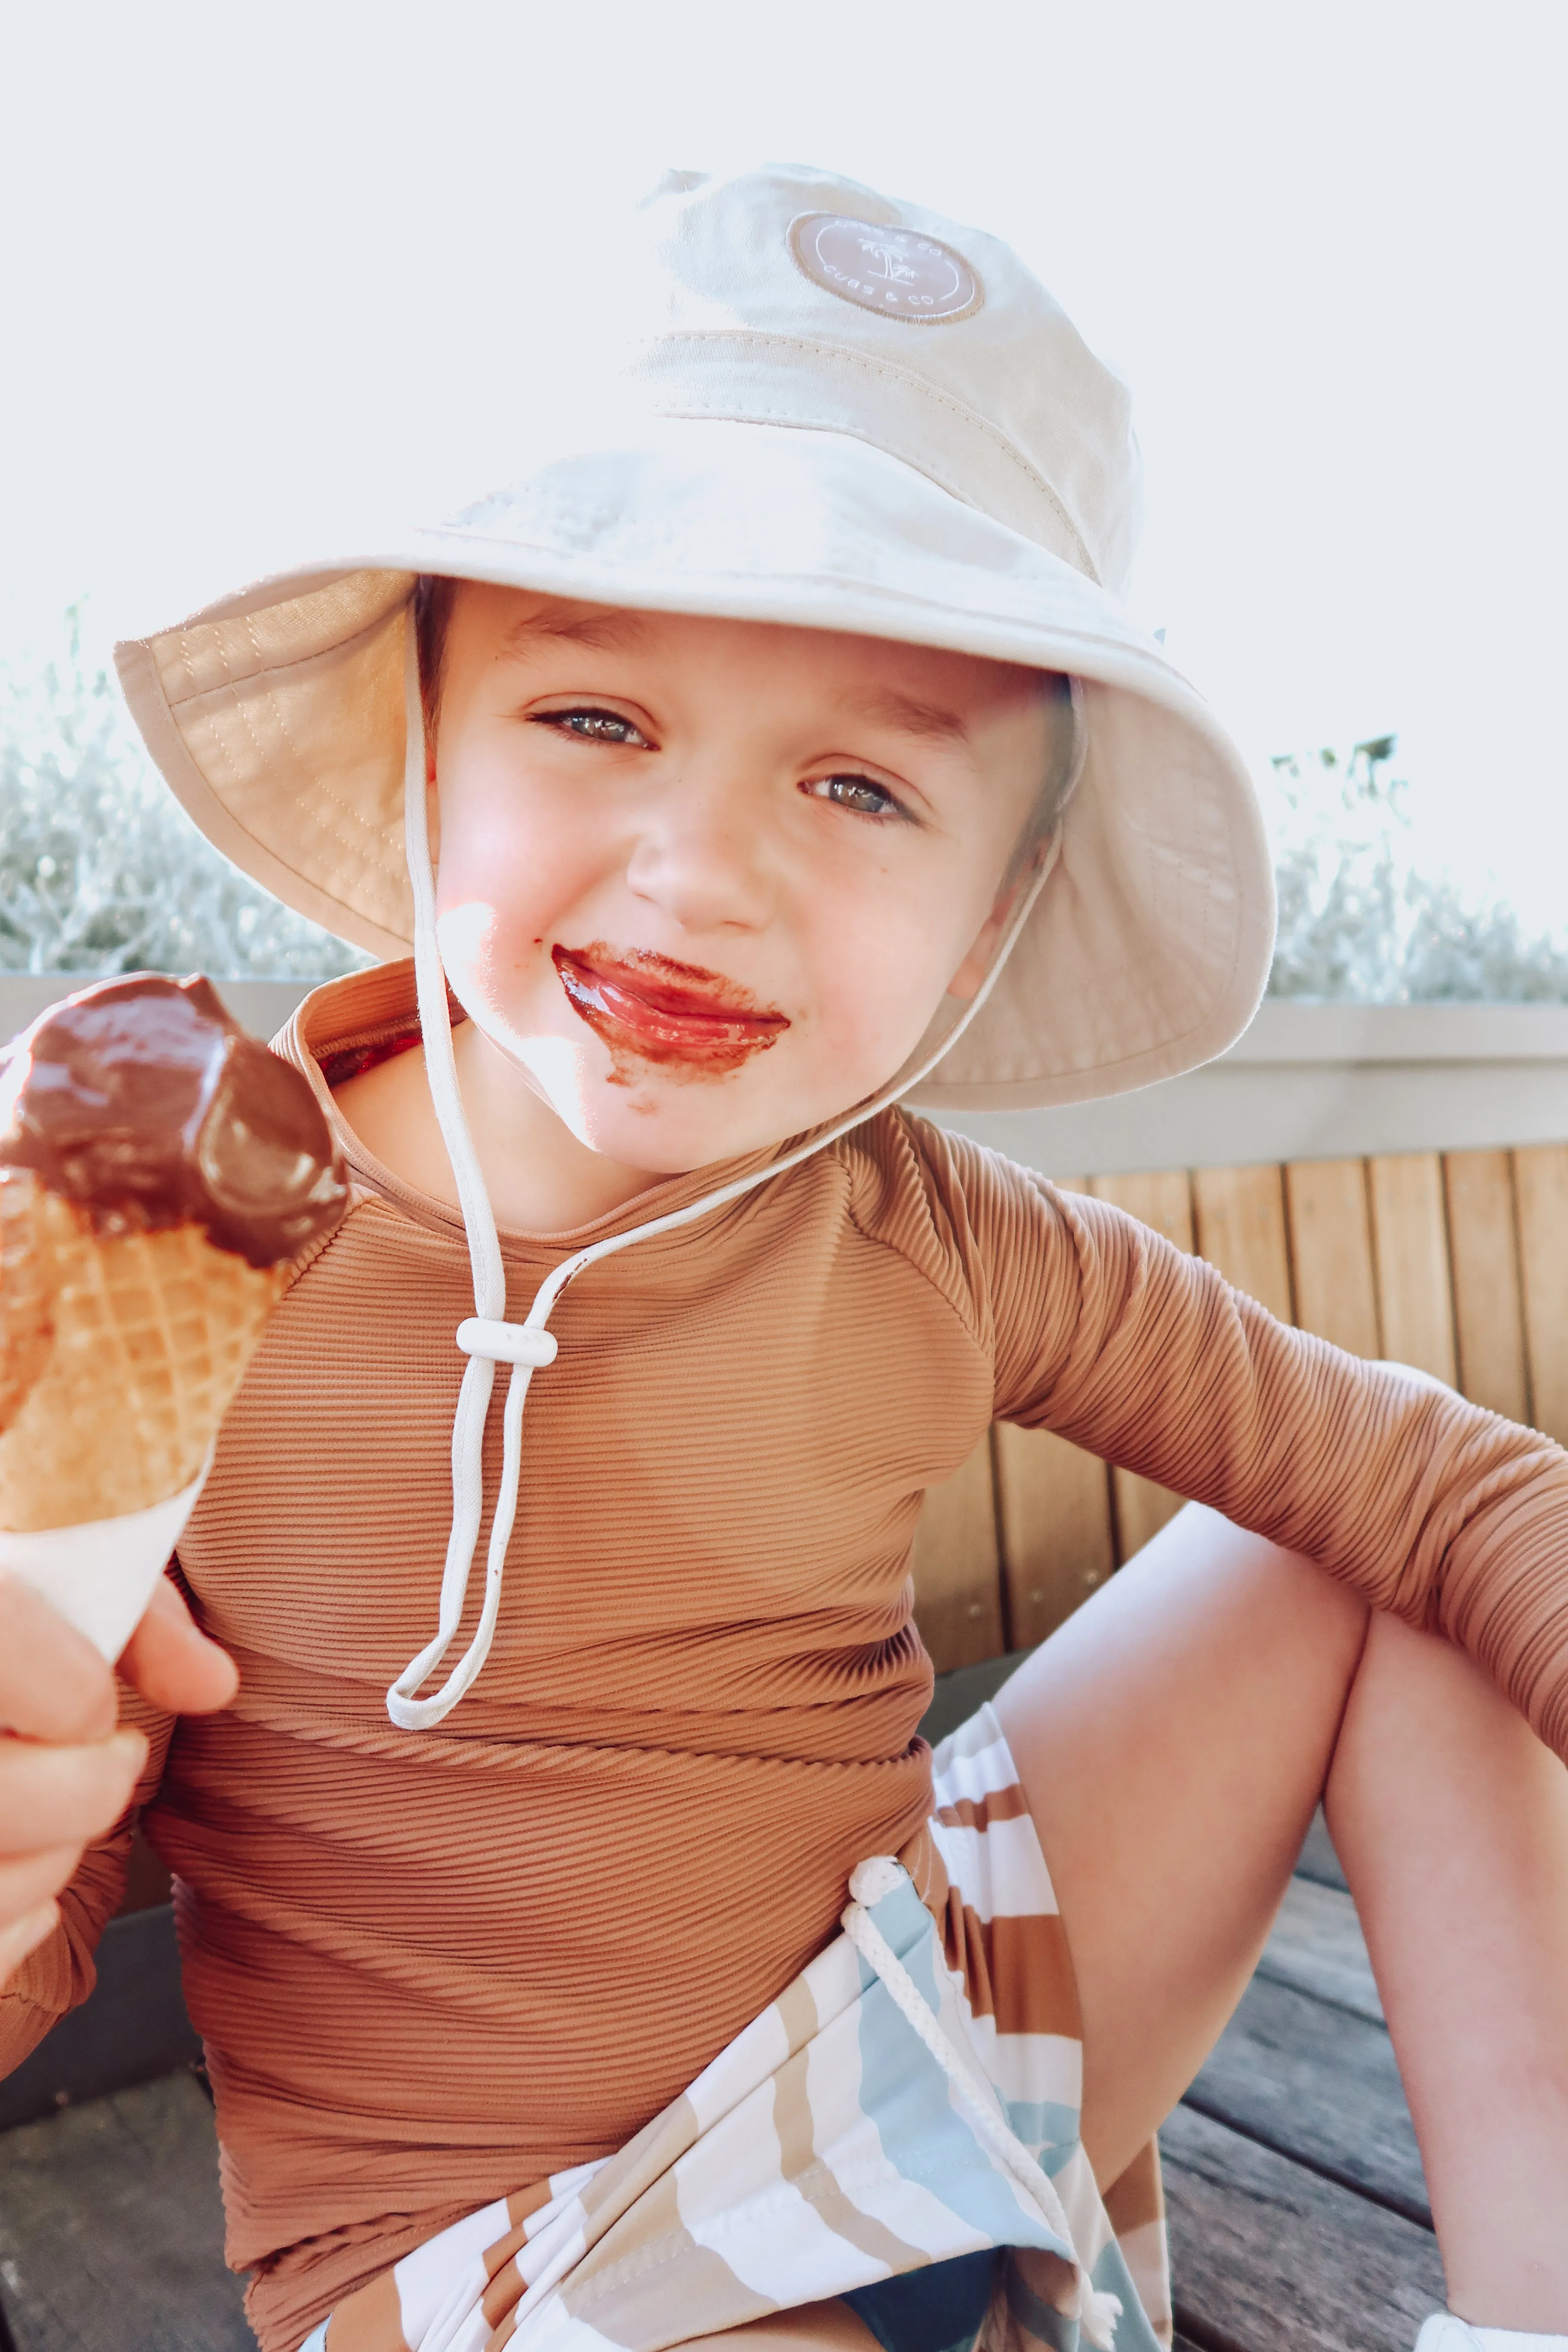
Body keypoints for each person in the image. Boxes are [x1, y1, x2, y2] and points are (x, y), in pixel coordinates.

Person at [3, 165, 1567, 2352]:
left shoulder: (937, 1233)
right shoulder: (189, 1275)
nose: (702, 869)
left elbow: (1446, 1486)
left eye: (860, 789)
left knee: (1363, 1550)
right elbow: (48, 1912)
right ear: (423, 753)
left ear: (988, 927)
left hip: (913, 2043)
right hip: (478, 2261)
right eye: (597, 722)